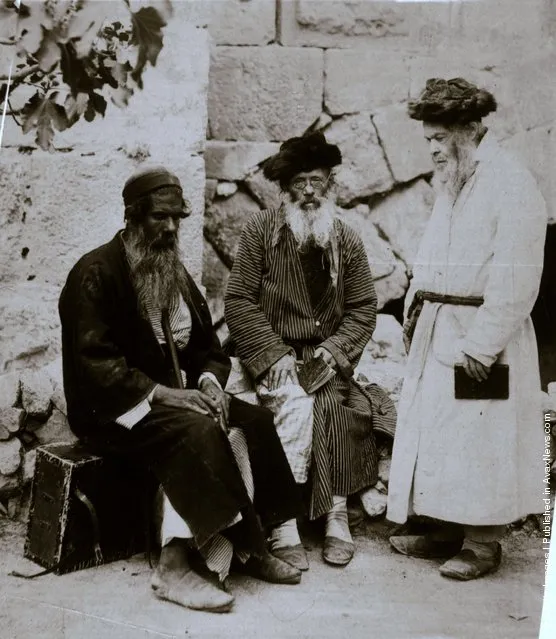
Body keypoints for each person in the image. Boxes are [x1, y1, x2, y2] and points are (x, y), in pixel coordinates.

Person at [58, 165, 304, 614]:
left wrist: (209, 383)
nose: (171, 228)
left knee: (251, 418)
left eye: (177, 218)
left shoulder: (172, 270)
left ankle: (252, 544)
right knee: (194, 430)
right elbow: (95, 365)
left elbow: (208, 347)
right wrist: (168, 395)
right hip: (112, 411)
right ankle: (172, 566)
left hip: (173, 400)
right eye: (160, 218)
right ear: (133, 217)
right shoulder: (95, 274)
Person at [387, 78, 547, 580]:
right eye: (429, 139)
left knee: (481, 436)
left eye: (440, 137)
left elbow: (519, 274)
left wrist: (483, 343)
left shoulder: (510, 181)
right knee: (440, 430)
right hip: (441, 324)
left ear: (472, 128)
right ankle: (445, 530)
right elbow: (433, 251)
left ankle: (482, 543)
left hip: (484, 330)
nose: (432, 148)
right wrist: (415, 307)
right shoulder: (451, 180)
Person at [225, 132, 385, 570]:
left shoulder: (347, 240)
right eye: (299, 183)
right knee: (291, 406)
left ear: (331, 184)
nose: (309, 192)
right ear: (285, 189)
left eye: (317, 181)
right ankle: (284, 523)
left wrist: (334, 352)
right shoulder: (260, 232)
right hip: (273, 355)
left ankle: (336, 517)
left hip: (325, 360)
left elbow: (363, 307)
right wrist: (271, 354)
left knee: (335, 406)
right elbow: (238, 299)